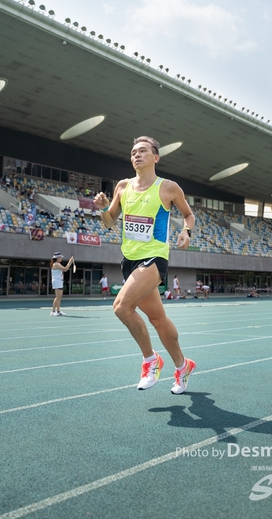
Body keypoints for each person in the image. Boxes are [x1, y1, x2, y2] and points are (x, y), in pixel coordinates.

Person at [94, 136, 196, 395]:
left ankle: (151, 360)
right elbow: (109, 221)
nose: (136, 155)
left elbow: (188, 214)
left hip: (154, 257)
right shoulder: (122, 186)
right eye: (133, 152)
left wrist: (186, 231)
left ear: (155, 157)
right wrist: (103, 208)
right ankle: (182, 365)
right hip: (129, 260)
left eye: (142, 151)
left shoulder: (168, 187)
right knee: (158, 319)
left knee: (121, 307)